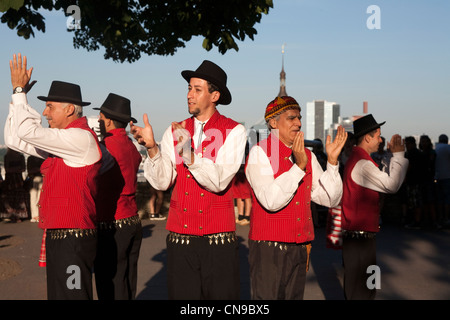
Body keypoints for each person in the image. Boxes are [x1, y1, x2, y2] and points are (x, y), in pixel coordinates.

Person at [130, 60, 247, 299]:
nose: (189, 95)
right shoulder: (174, 129)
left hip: (219, 241)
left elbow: (219, 181)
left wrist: (187, 153)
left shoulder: (235, 131)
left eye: (197, 89)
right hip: (180, 239)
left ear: (214, 95)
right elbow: (162, 183)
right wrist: (153, 149)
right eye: (188, 88)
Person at [5, 53, 102, 299]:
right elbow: (15, 138)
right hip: (63, 237)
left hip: (74, 239)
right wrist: (16, 98)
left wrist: (19, 92)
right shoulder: (64, 142)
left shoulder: (80, 138)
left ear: (70, 109)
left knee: (73, 295)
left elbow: (27, 130)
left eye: (50, 106)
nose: (45, 113)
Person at [244, 96, 347, 300]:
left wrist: (333, 164)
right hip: (269, 247)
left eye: (299, 117)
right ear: (273, 123)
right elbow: (270, 201)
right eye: (291, 118)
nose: (298, 123)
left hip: (300, 247)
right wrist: (298, 167)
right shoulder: (260, 152)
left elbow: (330, 199)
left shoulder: (307, 155)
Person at [341, 114, 408, 300]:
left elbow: (384, 180)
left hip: (362, 237)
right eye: (378, 136)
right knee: (362, 292)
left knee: (367, 289)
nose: (380, 140)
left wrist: (390, 157)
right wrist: (399, 155)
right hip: (360, 239)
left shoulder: (360, 160)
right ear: (368, 137)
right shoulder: (362, 164)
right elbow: (391, 185)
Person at [93, 93, 143, 300]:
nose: (98, 121)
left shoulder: (105, 148)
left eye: (102, 117)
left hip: (112, 222)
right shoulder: (132, 146)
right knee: (128, 281)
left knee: (110, 284)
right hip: (132, 219)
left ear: (110, 121)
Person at [403, 136, 426, 229]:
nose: (406, 146)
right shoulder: (418, 153)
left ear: (412, 144)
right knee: (416, 202)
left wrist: (404, 177)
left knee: (414, 203)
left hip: (413, 181)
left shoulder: (411, 154)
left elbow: (408, 167)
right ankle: (417, 221)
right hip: (417, 180)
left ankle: (416, 222)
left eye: (407, 144)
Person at [0, 148, 28, 222]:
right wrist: (17, 169)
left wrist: (13, 169)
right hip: (14, 179)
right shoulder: (16, 157)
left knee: (17, 197)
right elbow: (8, 169)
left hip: (14, 179)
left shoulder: (11, 156)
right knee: (12, 197)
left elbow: (23, 169)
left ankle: (15, 215)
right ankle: (14, 215)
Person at [435, 134, 450, 227]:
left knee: (439, 199)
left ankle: (440, 217)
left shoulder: (436, 148)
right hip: (447, 176)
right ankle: (446, 218)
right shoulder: (448, 148)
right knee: (447, 199)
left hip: (437, 176)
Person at [26, 155, 45, 222]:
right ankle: (36, 215)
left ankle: (36, 215)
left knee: (37, 197)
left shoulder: (31, 158)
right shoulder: (41, 158)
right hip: (36, 178)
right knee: (34, 197)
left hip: (38, 178)